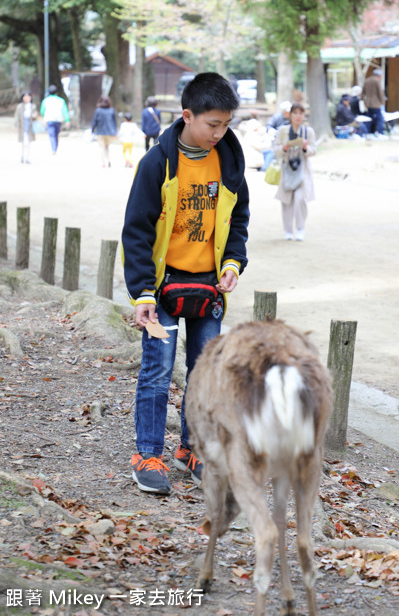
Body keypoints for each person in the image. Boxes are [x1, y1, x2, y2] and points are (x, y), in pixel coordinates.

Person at [121, 72, 249, 495]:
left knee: (203, 373)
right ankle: (148, 453)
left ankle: (191, 449)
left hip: (208, 291)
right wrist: (141, 291)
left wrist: (233, 263)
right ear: (187, 116)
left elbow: (238, 221)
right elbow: (136, 230)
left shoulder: (229, 160)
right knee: (157, 372)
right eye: (213, 124)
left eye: (226, 124)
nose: (220, 132)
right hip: (160, 291)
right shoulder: (157, 163)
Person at [273, 102, 316, 241]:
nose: (298, 116)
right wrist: (284, 148)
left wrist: (305, 148)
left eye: (301, 113)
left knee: (300, 199)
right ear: (290, 115)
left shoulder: (308, 132)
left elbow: (313, 150)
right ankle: (288, 230)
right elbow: (276, 149)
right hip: (287, 169)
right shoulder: (283, 131)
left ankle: (300, 228)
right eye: (295, 113)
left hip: (302, 170)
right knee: (286, 201)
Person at [40, 84, 70, 154]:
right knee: (56, 134)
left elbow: (42, 111)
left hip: (49, 119)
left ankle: (53, 148)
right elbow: (65, 111)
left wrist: (44, 115)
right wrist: (67, 120)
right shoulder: (61, 100)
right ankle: (55, 147)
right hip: (58, 119)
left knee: (51, 134)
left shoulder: (45, 100)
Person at [91, 95, 117, 168]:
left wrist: (92, 130)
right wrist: (115, 132)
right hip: (110, 132)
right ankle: (109, 159)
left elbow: (94, 121)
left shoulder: (98, 110)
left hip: (100, 132)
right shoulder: (111, 110)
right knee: (107, 147)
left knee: (102, 148)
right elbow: (114, 122)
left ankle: (103, 163)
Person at [14, 92, 38, 164]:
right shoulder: (19, 106)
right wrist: (16, 126)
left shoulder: (33, 106)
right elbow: (16, 117)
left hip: (30, 127)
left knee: (28, 143)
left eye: (28, 97)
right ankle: (22, 156)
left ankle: (27, 158)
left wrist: (35, 116)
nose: (27, 98)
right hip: (22, 126)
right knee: (23, 143)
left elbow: (35, 116)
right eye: (25, 97)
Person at [361, 68, 385, 136]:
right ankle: (381, 133)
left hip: (368, 103)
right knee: (379, 118)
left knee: (369, 118)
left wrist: (362, 100)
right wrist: (382, 102)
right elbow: (380, 93)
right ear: (378, 75)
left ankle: (367, 132)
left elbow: (363, 92)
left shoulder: (367, 80)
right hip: (376, 104)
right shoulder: (377, 81)